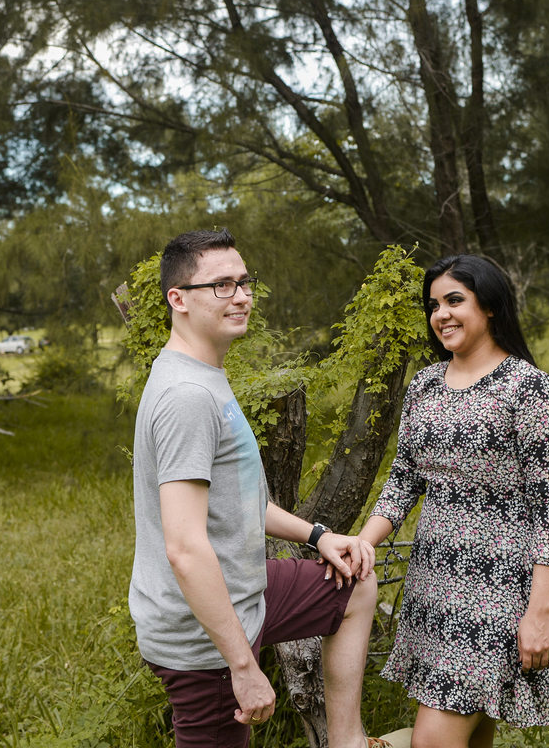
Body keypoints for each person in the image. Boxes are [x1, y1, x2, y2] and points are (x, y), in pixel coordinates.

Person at [129, 228, 381, 748]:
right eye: (221, 285)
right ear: (178, 299)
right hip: (202, 640)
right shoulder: (186, 397)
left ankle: (347, 741)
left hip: (246, 594)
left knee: (354, 581)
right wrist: (242, 665)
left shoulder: (203, 374)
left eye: (245, 282)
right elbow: (184, 546)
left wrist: (318, 536)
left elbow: (239, 500)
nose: (241, 295)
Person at [358, 254, 549, 748]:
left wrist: (540, 612)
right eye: (433, 305)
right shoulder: (425, 386)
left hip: (497, 591)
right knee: (472, 738)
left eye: (455, 300)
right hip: (433, 584)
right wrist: (362, 544)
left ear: (491, 305)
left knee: (432, 740)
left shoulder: (529, 389)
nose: (441, 315)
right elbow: (403, 481)